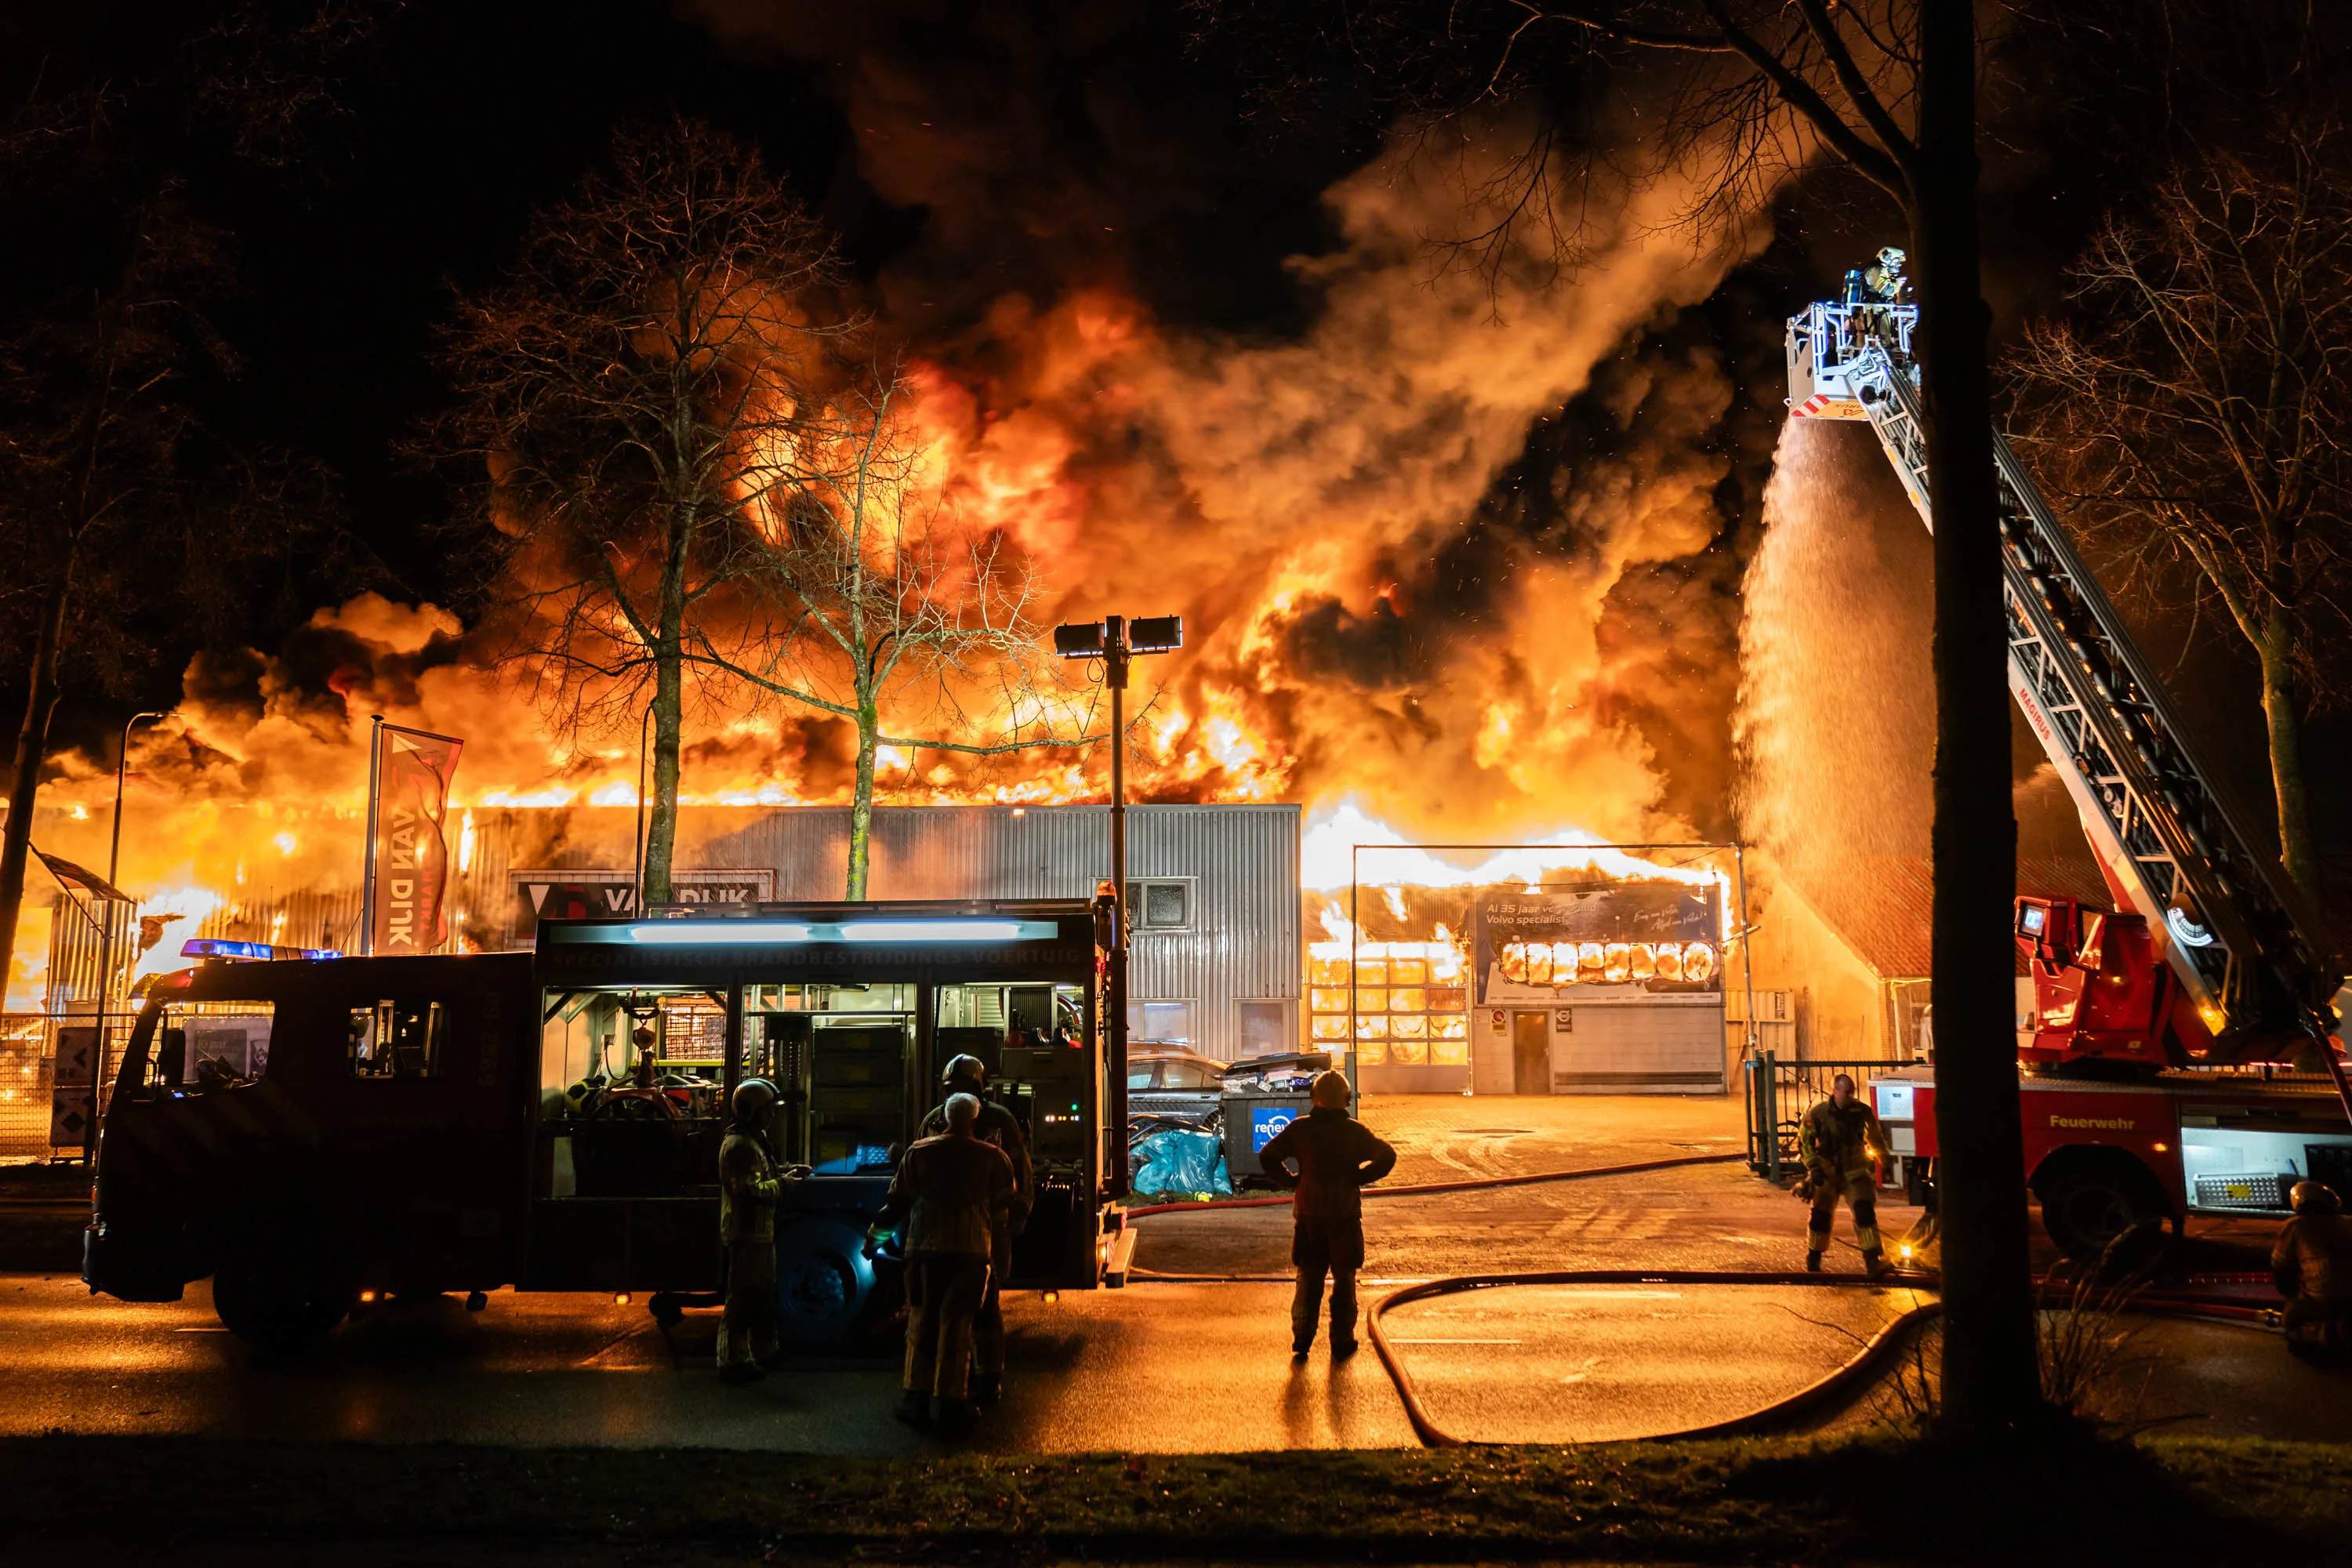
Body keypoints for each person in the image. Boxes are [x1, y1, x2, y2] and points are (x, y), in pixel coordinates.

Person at [883, 1092, 1014, 1431]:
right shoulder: (992, 1157)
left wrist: (874, 1240)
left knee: (921, 1320)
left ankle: (915, 1398)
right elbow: (1003, 1201)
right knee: (956, 1325)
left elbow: (897, 1200)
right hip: (970, 1253)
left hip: (922, 1252)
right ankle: (950, 1402)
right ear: (975, 1120)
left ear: (943, 1118)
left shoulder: (918, 1152)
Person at [919, 1054, 1033, 1405]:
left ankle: (986, 1378)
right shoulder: (936, 1121)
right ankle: (964, 1376)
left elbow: (1020, 1169)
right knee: (956, 1310)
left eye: (964, 1088)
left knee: (986, 1306)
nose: (957, 1094)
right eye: (953, 1089)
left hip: (987, 1229)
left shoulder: (998, 1120)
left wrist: (1019, 1214)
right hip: (955, 1232)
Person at [1258, 1069, 1396, 1356]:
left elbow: (1268, 1156)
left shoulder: (1300, 1129)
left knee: (1308, 1277)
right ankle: (1342, 1340)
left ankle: (1303, 1337)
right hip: (1344, 1216)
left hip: (1309, 1214)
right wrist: (1359, 1177)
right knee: (1344, 1279)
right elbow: (1387, 1155)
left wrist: (1293, 1181)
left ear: (1315, 1098)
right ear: (1345, 1099)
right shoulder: (1355, 1132)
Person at [717, 1076, 786, 1384]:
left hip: (759, 1234)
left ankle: (760, 1352)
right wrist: (785, 1184)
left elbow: (760, 1176)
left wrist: (786, 1172)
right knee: (742, 1301)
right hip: (746, 1234)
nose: (771, 1116)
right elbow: (747, 1190)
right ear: (751, 1112)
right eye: (767, 1111)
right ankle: (733, 1361)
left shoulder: (751, 1141)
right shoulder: (741, 1146)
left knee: (759, 1297)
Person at [1796, 1073, 1891, 1279]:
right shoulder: (1819, 1114)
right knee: (1820, 1216)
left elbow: (1875, 1137)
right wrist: (1814, 1168)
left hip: (1855, 1172)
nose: (1850, 1096)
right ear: (1835, 1091)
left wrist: (1886, 1160)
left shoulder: (1862, 1112)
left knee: (1864, 1212)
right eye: (1846, 1092)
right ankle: (1814, 1257)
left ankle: (1872, 1261)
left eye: (1852, 1092)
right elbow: (1805, 1142)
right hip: (1827, 1174)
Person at [2273, 1180, 2352, 1363]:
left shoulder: (2295, 1226)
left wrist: (2290, 1295)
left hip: (2324, 1301)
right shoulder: (2349, 1222)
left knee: (2289, 1319)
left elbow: (2280, 1266)